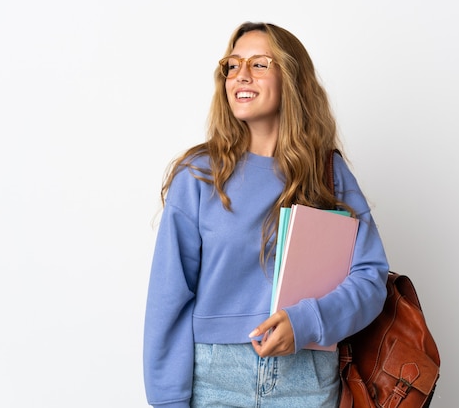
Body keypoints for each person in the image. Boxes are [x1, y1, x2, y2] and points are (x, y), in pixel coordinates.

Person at [143, 21, 389, 408]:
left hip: (307, 378)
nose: (241, 74)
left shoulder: (328, 175)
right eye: (233, 64)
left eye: (259, 64)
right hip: (214, 379)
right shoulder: (200, 175)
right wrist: (168, 401)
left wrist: (306, 321)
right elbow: (168, 297)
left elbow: (371, 279)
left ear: (291, 78)